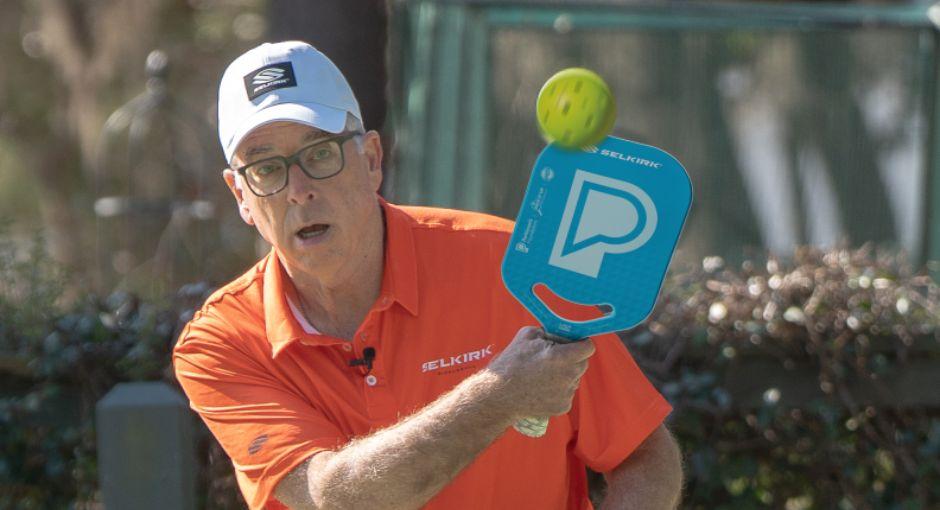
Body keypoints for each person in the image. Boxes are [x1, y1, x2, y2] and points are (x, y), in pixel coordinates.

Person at [173, 40, 683, 510]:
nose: (298, 189)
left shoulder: (512, 264)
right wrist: (502, 394)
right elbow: (337, 498)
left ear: (371, 159)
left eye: (320, 153)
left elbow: (643, 456)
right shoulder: (220, 345)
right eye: (265, 168)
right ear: (240, 195)